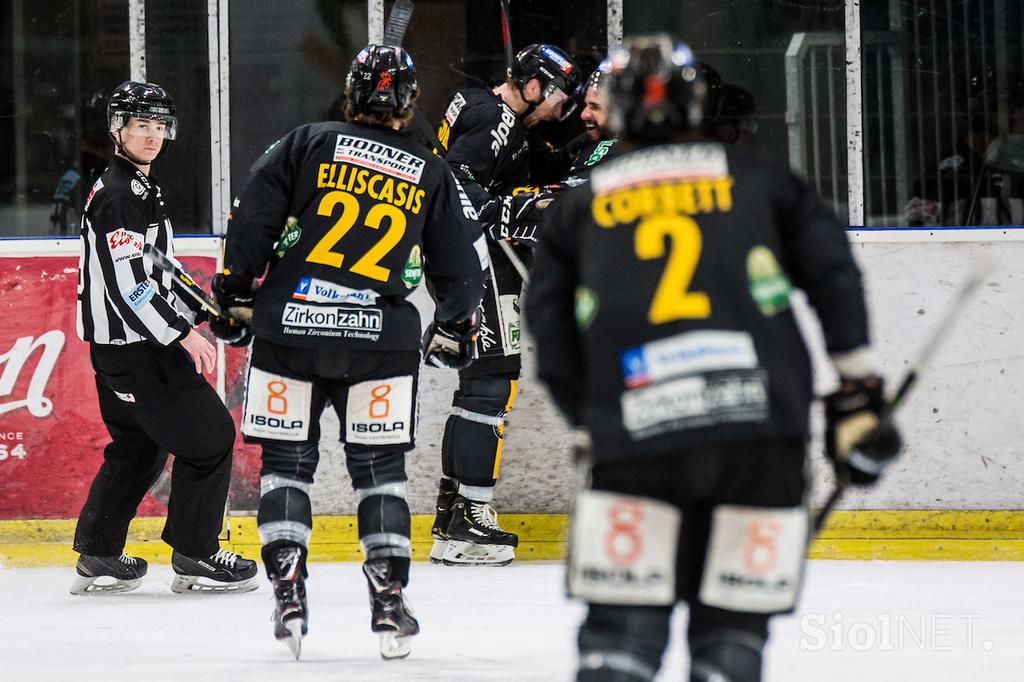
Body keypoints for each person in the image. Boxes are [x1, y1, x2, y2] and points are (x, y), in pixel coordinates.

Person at [524, 35, 903, 682]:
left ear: (614, 111)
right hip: (761, 444)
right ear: (696, 103)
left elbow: (549, 330)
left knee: (621, 642)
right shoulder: (764, 181)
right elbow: (836, 277)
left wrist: (589, 419)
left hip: (636, 441)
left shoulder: (580, 207)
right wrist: (859, 392)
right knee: (731, 642)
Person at [211, 45, 486, 659]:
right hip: (380, 345)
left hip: (291, 334)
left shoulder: (306, 140)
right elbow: (461, 270)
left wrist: (232, 292)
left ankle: (288, 589)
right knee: (380, 474)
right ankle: (388, 600)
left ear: (350, 90)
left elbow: (252, 219)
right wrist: (455, 324)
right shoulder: (429, 167)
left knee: (286, 465)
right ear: (410, 102)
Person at [72, 81, 258, 595]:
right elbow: (128, 284)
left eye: (159, 126)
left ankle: (99, 553)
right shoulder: (119, 194)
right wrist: (182, 333)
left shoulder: (136, 187)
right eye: (140, 125)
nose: (152, 136)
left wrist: (204, 306)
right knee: (211, 439)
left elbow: (158, 264)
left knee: (138, 448)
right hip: (139, 352)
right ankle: (197, 554)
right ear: (118, 129)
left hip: (121, 351)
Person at [429, 43, 582, 567]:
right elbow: (455, 183)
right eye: (559, 97)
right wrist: (511, 208)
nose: (563, 108)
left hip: (468, 261)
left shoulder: (490, 113)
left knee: (478, 383)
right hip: (476, 263)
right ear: (534, 85)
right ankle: (470, 518)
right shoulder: (495, 116)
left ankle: (453, 515)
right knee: (494, 378)